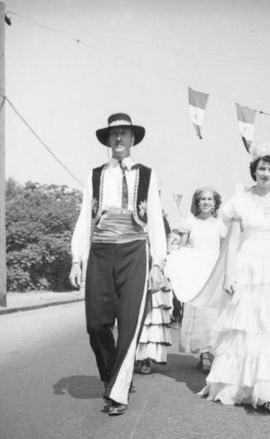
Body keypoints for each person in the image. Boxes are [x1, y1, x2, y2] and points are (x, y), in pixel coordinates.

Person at [198, 143, 270, 414]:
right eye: (262, 168)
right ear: (254, 170)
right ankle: (242, 385)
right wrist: (228, 274)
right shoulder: (240, 202)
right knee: (248, 327)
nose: (266, 173)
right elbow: (234, 240)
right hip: (247, 266)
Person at [69, 113, 166, 416]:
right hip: (100, 252)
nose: (120, 140)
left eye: (125, 134)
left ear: (133, 139)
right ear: (108, 141)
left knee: (129, 324)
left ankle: (118, 392)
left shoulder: (147, 175)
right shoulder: (96, 175)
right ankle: (113, 377)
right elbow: (86, 218)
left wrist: (158, 263)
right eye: (115, 135)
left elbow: (156, 222)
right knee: (96, 324)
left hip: (134, 252)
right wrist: (76, 260)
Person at [166, 187, 227, 370]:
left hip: (213, 271)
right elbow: (182, 248)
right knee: (199, 312)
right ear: (197, 202)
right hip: (196, 272)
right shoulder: (190, 222)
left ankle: (213, 350)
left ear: (215, 202)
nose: (206, 202)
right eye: (202, 199)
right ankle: (204, 352)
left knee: (213, 313)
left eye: (210, 199)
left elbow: (224, 250)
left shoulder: (220, 224)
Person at [135, 211, 173, 375]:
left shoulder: (160, 220)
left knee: (152, 316)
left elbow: (164, 247)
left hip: (154, 270)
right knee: (135, 314)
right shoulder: (134, 215)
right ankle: (133, 355)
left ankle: (146, 358)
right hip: (135, 268)